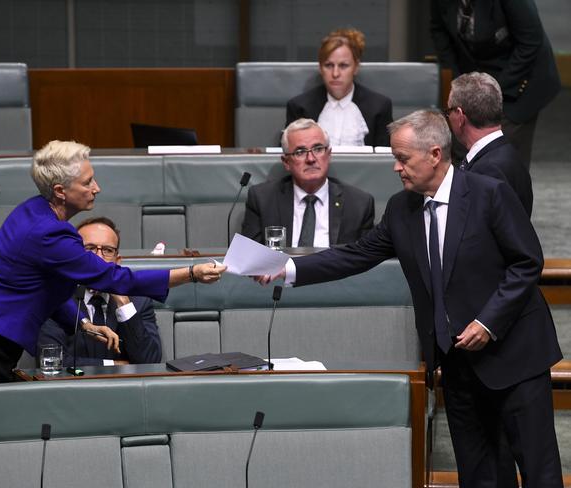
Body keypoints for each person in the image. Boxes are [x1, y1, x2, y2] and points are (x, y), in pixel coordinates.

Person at [257, 110, 563, 487]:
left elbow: (527, 263)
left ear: (435, 154)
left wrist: (488, 322)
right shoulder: (403, 209)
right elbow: (355, 254)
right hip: (458, 364)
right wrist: (287, 269)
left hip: (514, 356)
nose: (396, 168)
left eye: (403, 158)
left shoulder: (489, 193)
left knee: (538, 472)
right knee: (479, 475)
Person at [0, 140, 225, 386]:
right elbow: (118, 280)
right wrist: (192, 273)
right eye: (87, 183)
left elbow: (42, 284)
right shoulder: (50, 234)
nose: (96, 188)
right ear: (61, 190)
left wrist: (84, 324)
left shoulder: (32, 209)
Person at [430, 0, 561, 170]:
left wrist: (492, 91)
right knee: (462, 152)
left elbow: (530, 41)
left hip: (520, 79)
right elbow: (439, 31)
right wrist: (458, 82)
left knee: (503, 158)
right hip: (475, 81)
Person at [38, 217, 161, 366]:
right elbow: (52, 362)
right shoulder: (55, 298)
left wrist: (123, 301)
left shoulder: (138, 302)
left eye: (108, 250)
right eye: (89, 249)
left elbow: (150, 361)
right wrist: (113, 365)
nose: (98, 257)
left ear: (117, 261)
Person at [241, 118, 374, 247]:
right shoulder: (262, 199)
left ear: (329, 155)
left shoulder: (359, 204)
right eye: (300, 152)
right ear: (286, 162)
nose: (311, 159)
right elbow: (248, 257)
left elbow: (367, 260)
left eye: (318, 149)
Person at [286, 28, 393, 147]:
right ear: (320, 68)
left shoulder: (379, 107)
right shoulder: (299, 107)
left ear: (356, 67)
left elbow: (385, 158)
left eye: (343, 65)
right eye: (328, 65)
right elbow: (290, 155)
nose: (335, 73)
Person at [446, 71, 533, 216]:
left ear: (460, 117)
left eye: (449, 111)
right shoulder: (508, 155)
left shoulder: (487, 171)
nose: (448, 117)